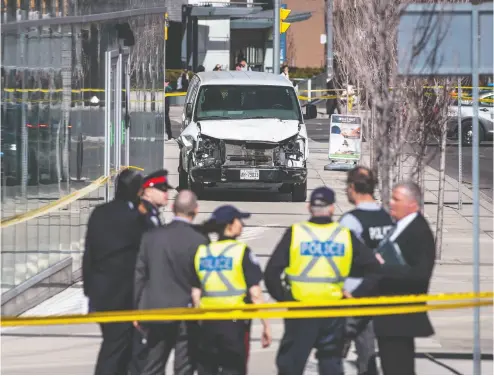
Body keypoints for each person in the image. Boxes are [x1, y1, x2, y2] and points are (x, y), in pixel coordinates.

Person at [264, 186, 381, 375]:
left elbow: (271, 273)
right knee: (331, 363)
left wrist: (285, 298)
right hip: (332, 311)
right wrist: (355, 295)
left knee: (291, 365)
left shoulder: (295, 233)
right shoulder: (344, 236)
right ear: (333, 208)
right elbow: (374, 269)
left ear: (309, 207)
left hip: (300, 310)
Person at [133, 190, 209, 374]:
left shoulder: (152, 237)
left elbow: (140, 275)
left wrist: (135, 309)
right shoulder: (200, 240)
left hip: (155, 310)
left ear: (173, 208)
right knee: (184, 367)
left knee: (153, 364)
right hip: (186, 313)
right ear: (196, 210)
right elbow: (204, 280)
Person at [192, 205, 272, 374]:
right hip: (233, 325)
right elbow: (255, 293)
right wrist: (266, 325)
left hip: (207, 324)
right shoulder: (241, 252)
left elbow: (196, 293)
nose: (242, 224)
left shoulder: (203, 252)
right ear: (230, 225)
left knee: (207, 370)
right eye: (239, 220)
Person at [82, 168, 146, 375]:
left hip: (100, 295)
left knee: (120, 345)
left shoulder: (99, 213)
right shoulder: (135, 217)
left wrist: (89, 289)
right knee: (116, 348)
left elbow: (88, 255)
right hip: (124, 297)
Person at [373, 181, 435, 375]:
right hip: (388, 315)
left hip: (401, 315)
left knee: (398, 368)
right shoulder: (399, 226)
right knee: (392, 366)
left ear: (412, 204)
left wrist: (383, 267)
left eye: (396, 199)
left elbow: (420, 274)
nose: (390, 203)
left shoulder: (419, 231)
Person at [339, 166, 394, 375]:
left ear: (353, 188)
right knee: (366, 348)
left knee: (332, 351)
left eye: (347, 187)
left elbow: (339, 258)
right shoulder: (387, 219)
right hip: (376, 292)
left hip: (351, 292)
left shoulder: (350, 221)